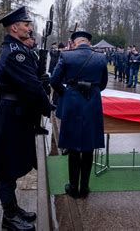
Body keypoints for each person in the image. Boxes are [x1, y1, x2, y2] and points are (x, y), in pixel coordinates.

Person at [0, 6, 52, 230]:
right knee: (6, 165)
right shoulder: (16, 52)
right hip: (12, 113)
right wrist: (46, 105)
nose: (29, 28)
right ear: (15, 27)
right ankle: (9, 216)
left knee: (11, 163)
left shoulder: (13, 48)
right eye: (26, 24)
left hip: (15, 111)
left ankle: (13, 208)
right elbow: (30, 85)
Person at [51, 31, 108, 199]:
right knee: (89, 146)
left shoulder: (67, 56)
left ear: (75, 43)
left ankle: (73, 187)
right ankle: (84, 187)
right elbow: (103, 84)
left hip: (73, 102)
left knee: (73, 146)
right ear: (89, 43)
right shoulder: (100, 57)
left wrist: (67, 93)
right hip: (92, 103)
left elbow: (54, 80)